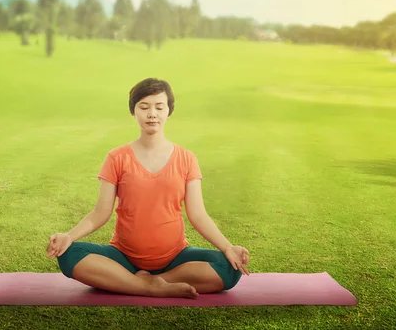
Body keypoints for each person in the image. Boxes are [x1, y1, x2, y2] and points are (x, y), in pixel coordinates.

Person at [46, 78, 250, 299]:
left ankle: (145, 282)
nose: (152, 113)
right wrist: (69, 236)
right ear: (133, 112)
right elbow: (100, 213)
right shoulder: (117, 157)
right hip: (123, 258)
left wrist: (228, 247)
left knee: (229, 268)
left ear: (169, 111)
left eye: (159, 107)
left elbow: (198, 214)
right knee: (69, 255)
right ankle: (148, 286)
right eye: (144, 107)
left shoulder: (187, 159)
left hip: (175, 260)